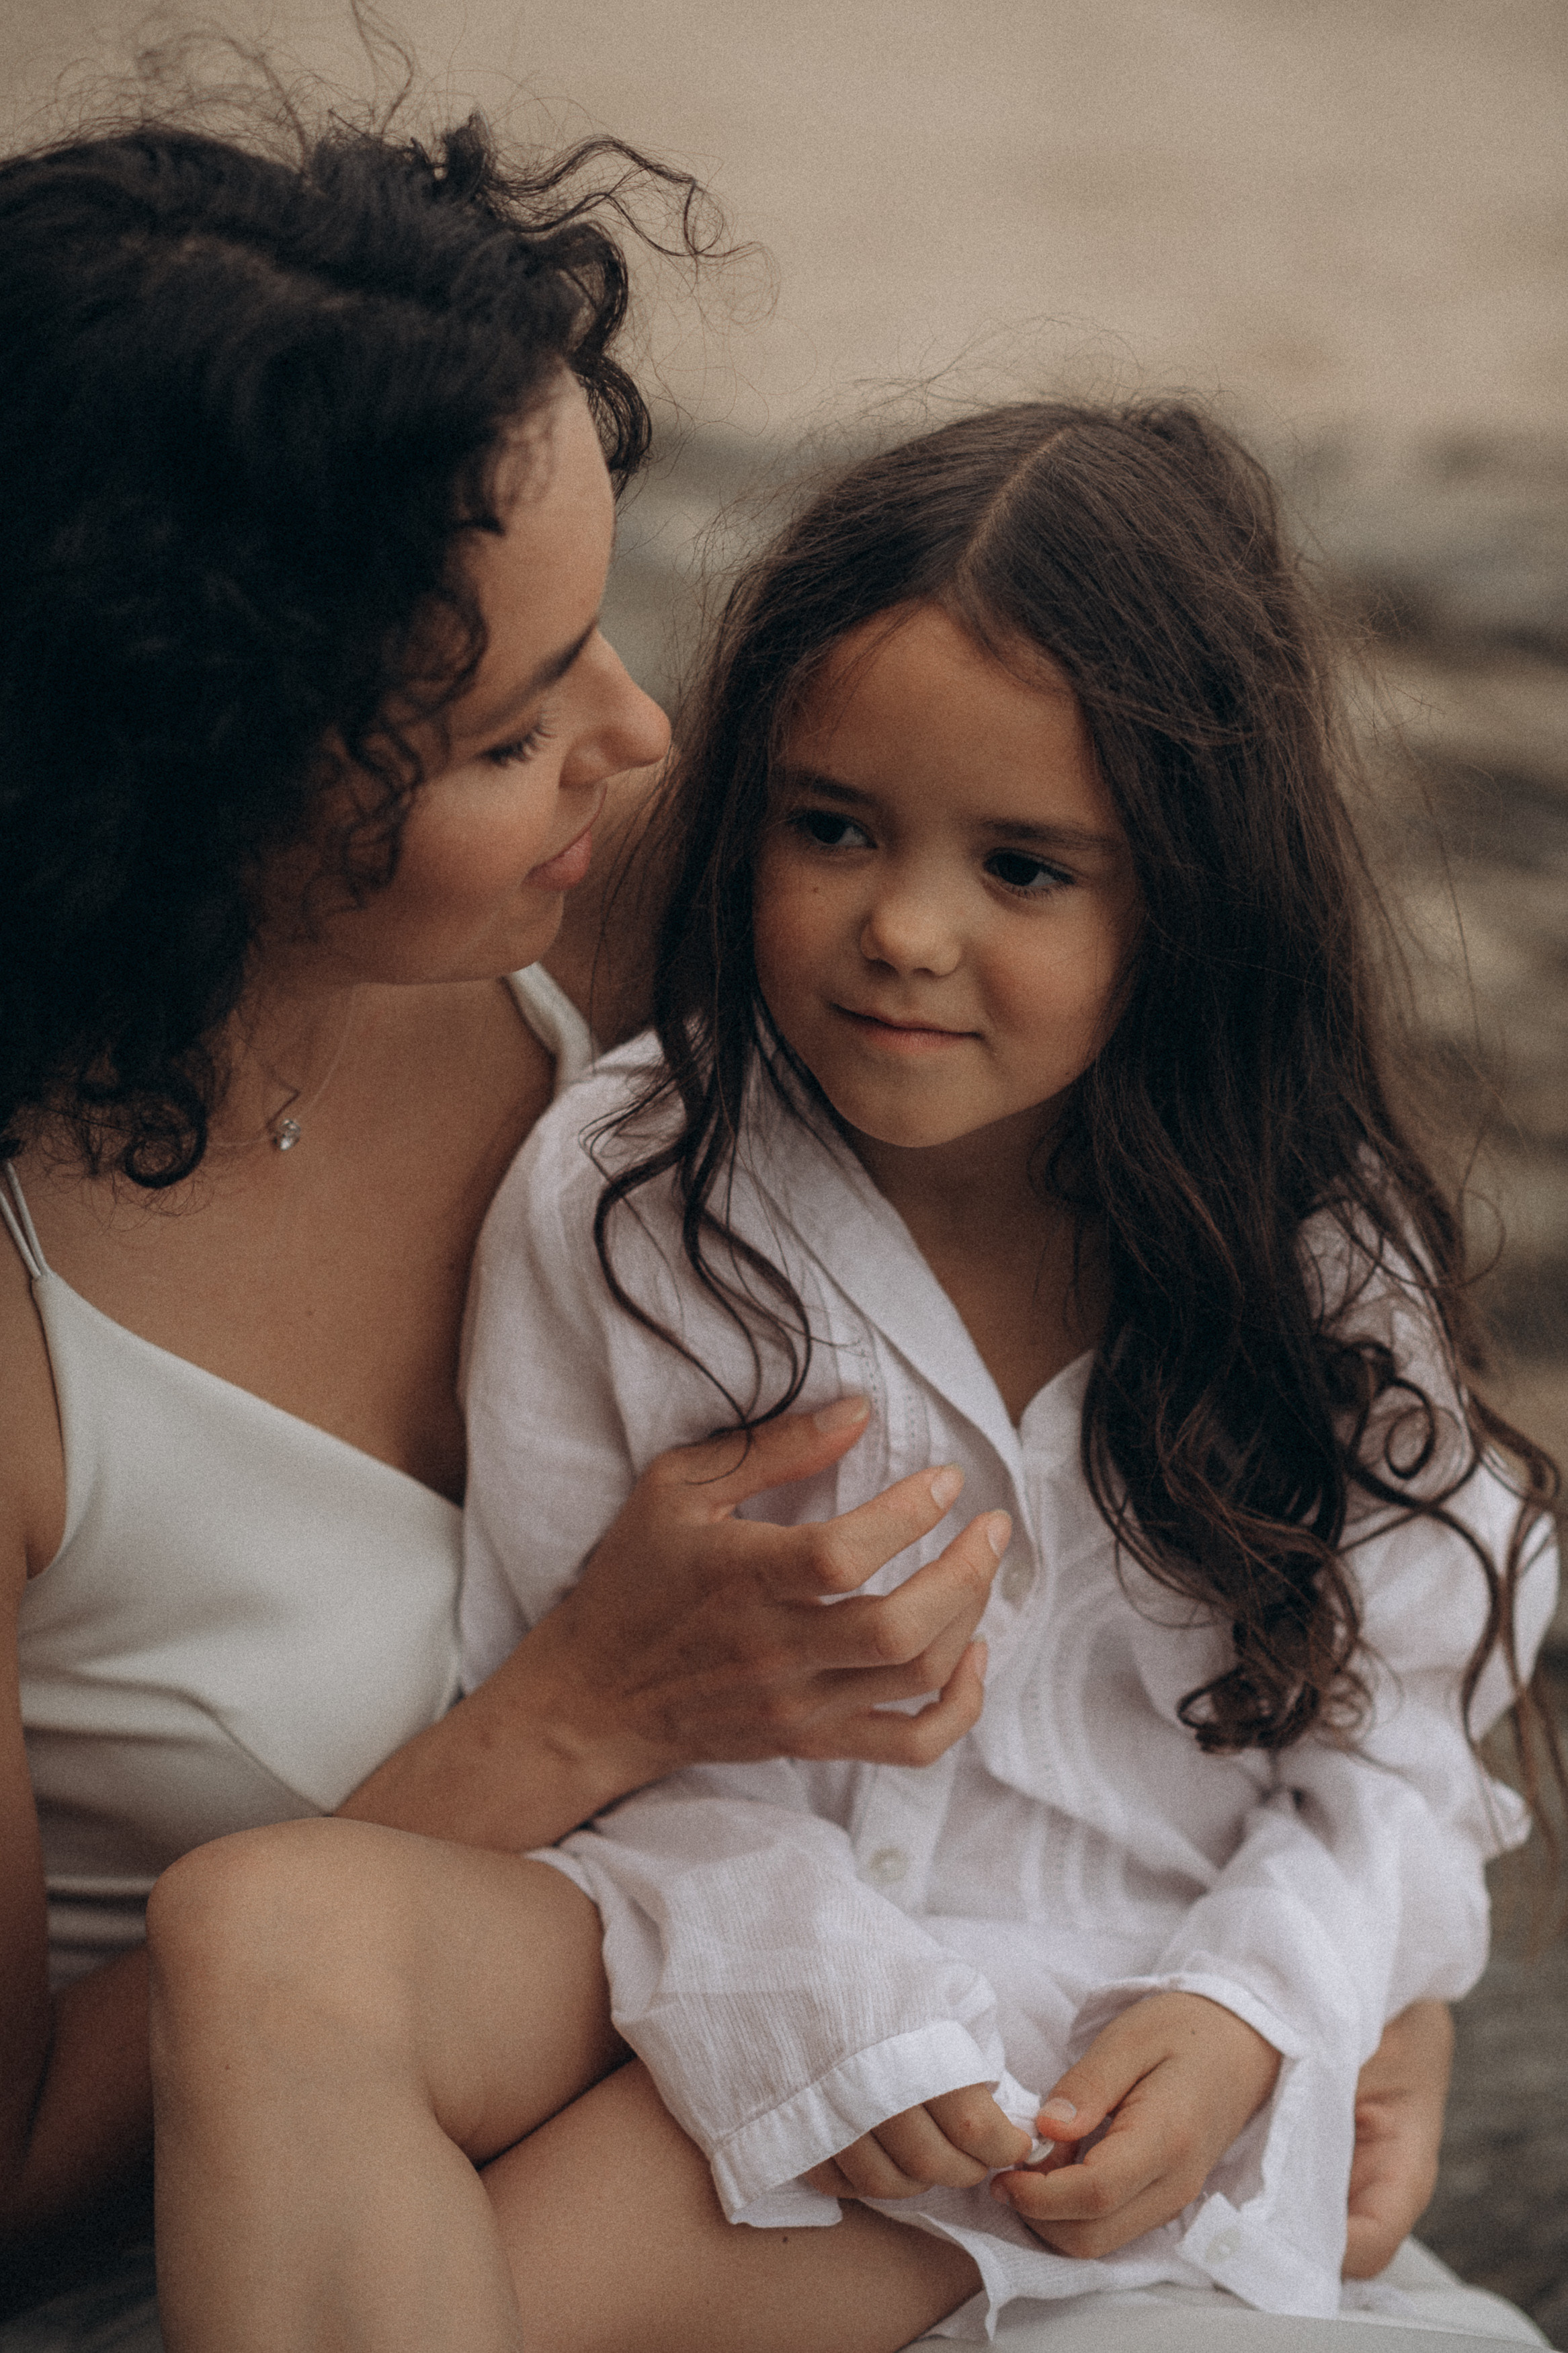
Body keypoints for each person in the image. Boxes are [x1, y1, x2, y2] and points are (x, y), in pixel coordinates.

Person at [145, 407, 1558, 2353]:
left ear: (1191, 898)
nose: (905, 928)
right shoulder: (637, 1196)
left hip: (1116, 2052)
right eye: (834, 827)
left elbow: (1398, 1746)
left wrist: (1251, 2017)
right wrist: (823, 1993)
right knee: (274, 1944)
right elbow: (583, 1698)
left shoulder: (1311, 1256)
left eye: (1027, 868)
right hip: (731, 1987)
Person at [0, 109, 1019, 2346]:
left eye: (605, 633)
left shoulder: (617, 914)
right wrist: (572, 1717)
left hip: (843, 2114)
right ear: (167, 789)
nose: (638, 738)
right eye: (508, 724)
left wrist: (1346, 1964)